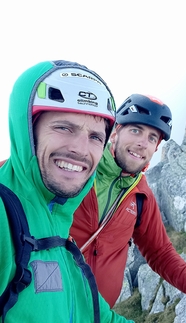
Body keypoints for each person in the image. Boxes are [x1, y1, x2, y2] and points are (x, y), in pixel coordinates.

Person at [0, 60, 133, 323]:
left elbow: (99, 318)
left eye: (95, 137)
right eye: (63, 127)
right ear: (28, 131)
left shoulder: (61, 238)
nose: (81, 150)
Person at [70, 93, 186, 312]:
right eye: (136, 130)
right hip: (41, 305)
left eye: (152, 138)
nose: (142, 143)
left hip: (95, 314)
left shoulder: (141, 195)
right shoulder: (77, 166)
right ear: (115, 133)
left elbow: (159, 252)